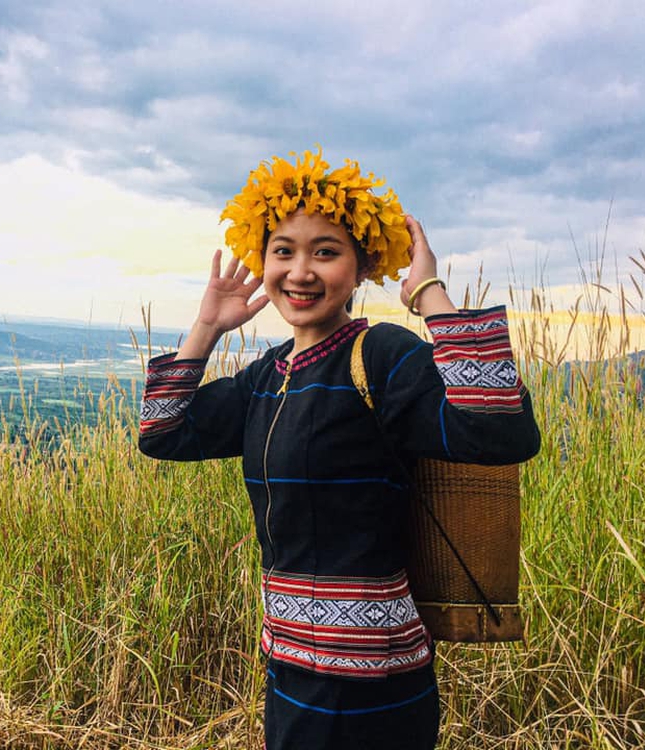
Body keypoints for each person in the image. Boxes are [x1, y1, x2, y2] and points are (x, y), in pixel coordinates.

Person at [137, 147, 541, 749]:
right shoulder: (268, 374)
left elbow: (499, 429)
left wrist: (429, 292)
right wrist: (207, 327)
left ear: (360, 269)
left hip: (372, 681)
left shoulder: (380, 356)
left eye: (325, 251)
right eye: (284, 251)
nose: (300, 271)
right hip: (290, 669)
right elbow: (163, 433)